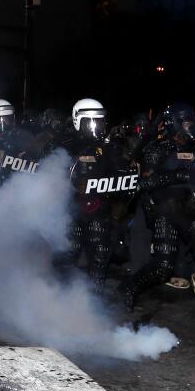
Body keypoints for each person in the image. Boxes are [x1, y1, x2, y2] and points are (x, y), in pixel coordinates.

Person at [122, 103, 195, 328]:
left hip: (193, 210)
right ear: (176, 124)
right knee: (163, 267)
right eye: (187, 122)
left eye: (193, 122)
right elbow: (146, 182)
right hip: (165, 210)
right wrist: (177, 175)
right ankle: (131, 287)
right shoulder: (157, 149)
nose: (192, 127)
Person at [62, 98, 132, 290]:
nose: (96, 128)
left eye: (99, 122)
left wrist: (127, 171)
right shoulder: (65, 145)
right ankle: (58, 293)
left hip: (99, 207)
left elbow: (122, 176)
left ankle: (94, 298)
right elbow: (48, 174)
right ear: (78, 121)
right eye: (90, 123)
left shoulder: (109, 148)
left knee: (101, 252)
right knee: (69, 252)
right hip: (71, 208)